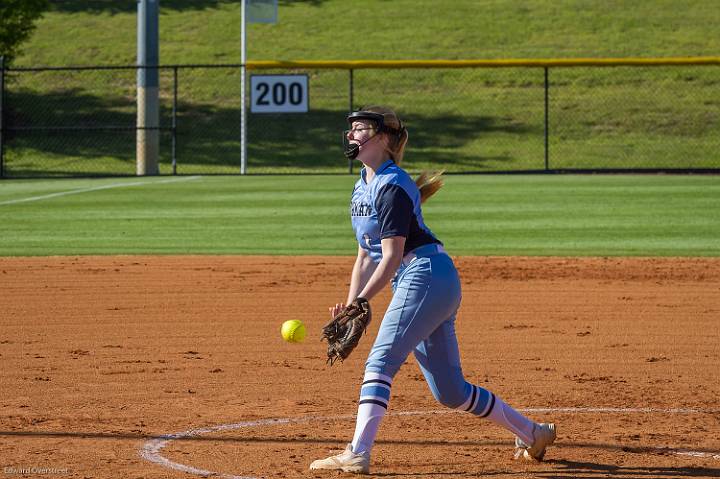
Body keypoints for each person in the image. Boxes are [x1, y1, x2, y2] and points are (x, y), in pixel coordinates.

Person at [310, 106, 556, 474]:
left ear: (383, 139)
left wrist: (363, 300)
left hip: (423, 274)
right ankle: (532, 432)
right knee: (450, 391)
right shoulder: (362, 186)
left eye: (360, 129)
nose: (351, 135)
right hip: (429, 281)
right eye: (351, 129)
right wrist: (350, 306)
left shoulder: (392, 185)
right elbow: (365, 256)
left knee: (379, 361)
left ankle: (358, 452)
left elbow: (391, 257)